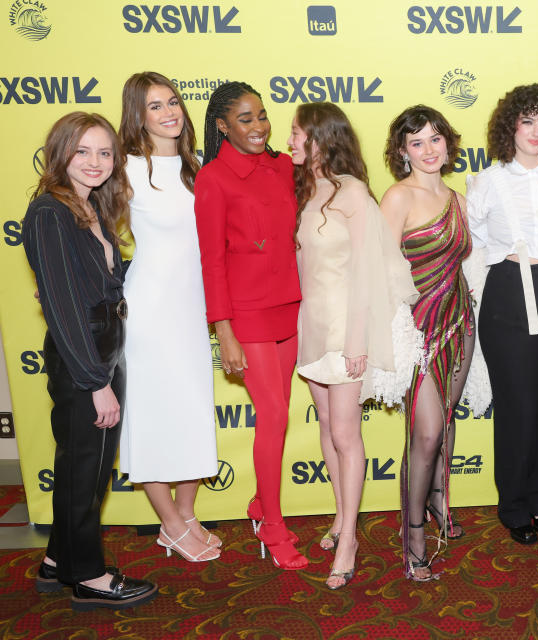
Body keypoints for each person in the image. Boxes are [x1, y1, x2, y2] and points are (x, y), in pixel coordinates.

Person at [24, 112, 158, 610]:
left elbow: (94, 283)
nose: (95, 162)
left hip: (105, 345)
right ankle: (89, 577)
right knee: (86, 467)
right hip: (85, 355)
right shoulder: (50, 213)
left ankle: (59, 560)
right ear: (61, 153)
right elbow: (63, 308)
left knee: (89, 467)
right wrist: (95, 381)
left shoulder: (86, 208)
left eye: (105, 153)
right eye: (83, 151)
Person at [290, 102, 420, 589]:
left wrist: (356, 341)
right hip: (313, 327)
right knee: (327, 428)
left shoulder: (353, 193)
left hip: (347, 330)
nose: (290, 142)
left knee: (346, 435)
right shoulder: (305, 189)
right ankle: (342, 518)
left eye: (298, 134)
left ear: (322, 138)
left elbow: (369, 273)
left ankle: (349, 540)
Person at [194, 81, 306, 570]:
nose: (259, 126)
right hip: (249, 314)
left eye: (262, 115)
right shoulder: (213, 179)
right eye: (245, 118)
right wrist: (224, 330)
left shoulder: (283, 166)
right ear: (222, 125)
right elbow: (211, 261)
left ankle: (263, 504)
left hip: (290, 306)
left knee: (279, 415)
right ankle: (272, 525)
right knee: (274, 416)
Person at [466, 84, 538, 545]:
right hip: (508, 293)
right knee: (515, 404)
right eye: (527, 121)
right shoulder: (486, 180)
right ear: (509, 125)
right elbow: (470, 245)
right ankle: (513, 506)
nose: (536, 131)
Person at [117, 71, 220, 563]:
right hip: (151, 312)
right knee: (154, 416)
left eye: (173, 101)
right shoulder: (124, 168)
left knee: (192, 412)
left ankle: (188, 514)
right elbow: (90, 228)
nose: (169, 112)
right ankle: (171, 524)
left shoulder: (197, 166)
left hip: (193, 309)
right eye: (155, 106)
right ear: (138, 116)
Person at [381, 105, 474, 580]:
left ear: (448, 143)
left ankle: (441, 498)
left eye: (435, 139)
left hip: (461, 322)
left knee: (447, 422)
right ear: (402, 151)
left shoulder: (459, 197)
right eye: (417, 142)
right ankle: (412, 532)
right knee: (426, 434)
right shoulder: (398, 197)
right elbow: (377, 272)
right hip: (417, 332)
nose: (429, 149)